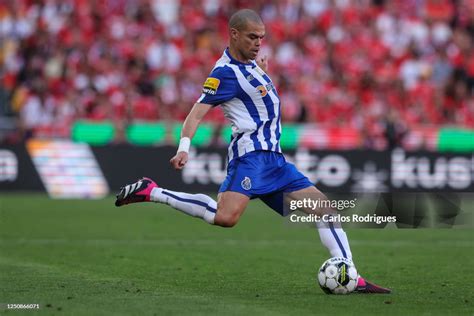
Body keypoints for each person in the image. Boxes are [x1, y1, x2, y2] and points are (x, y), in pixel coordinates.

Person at [115, 9, 390, 294]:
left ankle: (351, 275)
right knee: (225, 217)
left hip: (275, 160)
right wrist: (184, 147)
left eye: (261, 37)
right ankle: (153, 191)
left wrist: (261, 70)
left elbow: (255, 99)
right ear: (234, 34)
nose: (258, 43)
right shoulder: (224, 73)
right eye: (252, 37)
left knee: (326, 211)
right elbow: (195, 115)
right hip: (250, 159)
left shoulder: (251, 65)